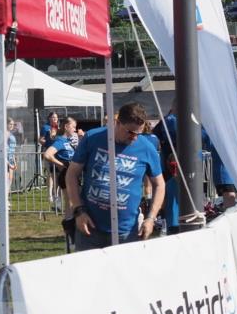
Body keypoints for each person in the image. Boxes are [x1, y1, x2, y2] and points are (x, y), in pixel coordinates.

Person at [66, 103, 164, 251]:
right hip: (90, 227)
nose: (134, 138)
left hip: (126, 231)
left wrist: (151, 218)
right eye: (130, 132)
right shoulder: (93, 137)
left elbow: (159, 184)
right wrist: (78, 210)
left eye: (139, 133)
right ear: (118, 123)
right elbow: (71, 174)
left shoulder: (146, 148)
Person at [44, 116, 80, 232]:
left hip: (72, 174)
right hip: (66, 175)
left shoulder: (68, 142)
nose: (75, 129)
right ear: (66, 126)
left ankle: (71, 227)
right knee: (70, 202)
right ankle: (69, 229)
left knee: (73, 202)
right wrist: (61, 164)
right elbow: (47, 154)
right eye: (73, 127)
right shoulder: (60, 141)